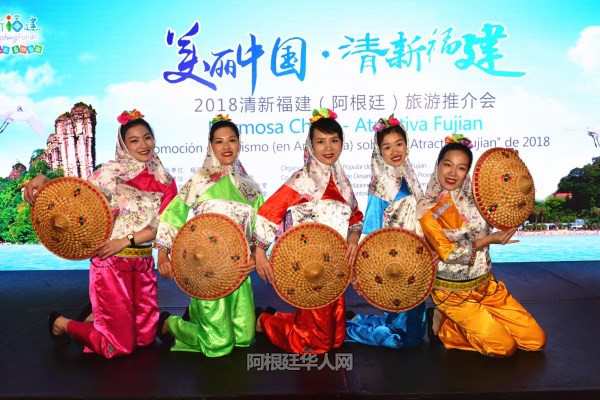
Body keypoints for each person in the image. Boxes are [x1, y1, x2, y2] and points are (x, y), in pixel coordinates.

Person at [24, 109, 177, 358]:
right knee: (119, 346)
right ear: (123, 145)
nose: (143, 145)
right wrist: (43, 179)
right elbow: (76, 197)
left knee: (145, 339)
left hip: (143, 266)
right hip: (111, 263)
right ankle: (61, 323)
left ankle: (97, 316)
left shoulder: (166, 181)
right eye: (134, 140)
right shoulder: (109, 173)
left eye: (147, 137)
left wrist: (130, 243)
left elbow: (165, 225)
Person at [416, 134, 546, 357]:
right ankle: (446, 327)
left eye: (461, 168)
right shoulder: (426, 207)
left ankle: (465, 320)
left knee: (536, 341)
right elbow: (448, 253)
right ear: (438, 165)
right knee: (504, 347)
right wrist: (488, 240)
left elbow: (509, 195)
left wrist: (508, 170)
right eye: (447, 165)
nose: (452, 173)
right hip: (452, 293)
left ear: (467, 172)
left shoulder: (478, 198)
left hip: (486, 286)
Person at [253, 108, 363, 354]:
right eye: (321, 141)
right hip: (308, 267)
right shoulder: (301, 180)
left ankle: (278, 318)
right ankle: (264, 322)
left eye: (334, 140)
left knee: (336, 339)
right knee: (314, 344)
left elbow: (356, 218)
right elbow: (268, 212)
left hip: (334, 266)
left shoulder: (342, 181)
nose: (328, 147)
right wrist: (260, 252)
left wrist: (353, 239)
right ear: (311, 145)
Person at [155, 114, 264, 357]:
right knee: (218, 345)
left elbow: (260, 227)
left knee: (244, 339)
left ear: (239, 143)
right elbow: (172, 215)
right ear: (210, 145)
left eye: (232, 140)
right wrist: (163, 255)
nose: (226, 147)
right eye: (219, 141)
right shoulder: (199, 182)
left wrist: (256, 256)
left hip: (238, 272)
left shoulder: (251, 188)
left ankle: (200, 324)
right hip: (205, 271)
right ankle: (170, 324)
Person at [345, 114, 431, 349]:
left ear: (407, 144)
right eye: (387, 147)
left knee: (416, 328)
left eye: (399, 144)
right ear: (379, 151)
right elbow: (371, 228)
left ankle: (359, 320)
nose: (395, 151)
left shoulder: (407, 174)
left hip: (414, 261)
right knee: (402, 339)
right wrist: (360, 271)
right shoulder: (381, 185)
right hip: (393, 264)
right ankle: (348, 329)